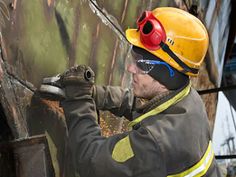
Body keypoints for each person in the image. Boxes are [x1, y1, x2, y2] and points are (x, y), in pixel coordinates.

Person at [51, 7, 223, 177]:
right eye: (133, 58)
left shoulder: (155, 143)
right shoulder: (187, 98)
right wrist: (96, 94)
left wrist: (78, 100)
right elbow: (139, 104)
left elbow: (92, 162)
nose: (130, 68)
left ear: (165, 74)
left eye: (141, 63)